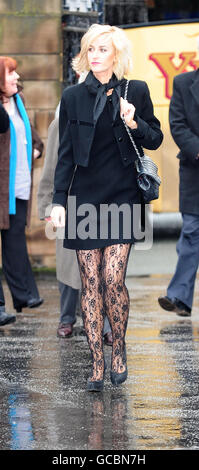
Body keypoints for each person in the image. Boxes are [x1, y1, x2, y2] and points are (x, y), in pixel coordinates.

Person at [51, 24, 163, 391]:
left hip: (122, 194)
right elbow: (65, 155)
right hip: (84, 196)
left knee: (113, 278)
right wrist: (57, 202)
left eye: (103, 48)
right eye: (91, 49)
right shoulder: (72, 97)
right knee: (90, 283)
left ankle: (119, 349)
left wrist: (133, 120)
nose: (96, 54)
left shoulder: (137, 90)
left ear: (116, 54)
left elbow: (157, 138)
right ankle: (97, 362)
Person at [37, 109, 113, 344]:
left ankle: (106, 323)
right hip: (70, 201)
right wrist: (47, 207)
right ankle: (67, 318)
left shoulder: (112, 117)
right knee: (69, 262)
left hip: (105, 199)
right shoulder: (62, 122)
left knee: (107, 266)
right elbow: (51, 166)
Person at [0, 56, 44, 320]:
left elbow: (34, 137)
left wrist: (37, 149)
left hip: (18, 187)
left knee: (15, 242)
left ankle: (23, 295)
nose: (17, 77)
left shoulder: (20, 102)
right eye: (10, 74)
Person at [158, 57, 199, 317]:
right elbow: (178, 125)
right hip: (195, 174)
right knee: (192, 234)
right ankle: (179, 297)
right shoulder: (183, 82)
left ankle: (179, 296)